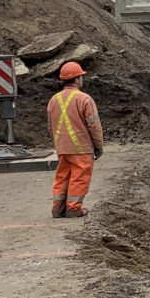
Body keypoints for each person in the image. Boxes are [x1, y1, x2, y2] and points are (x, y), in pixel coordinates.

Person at [46, 61, 103, 218]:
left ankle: (57, 208)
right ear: (77, 79)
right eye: (81, 77)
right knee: (79, 178)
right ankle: (73, 208)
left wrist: (60, 143)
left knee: (62, 177)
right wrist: (98, 145)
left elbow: (50, 126)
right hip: (81, 148)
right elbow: (94, 126)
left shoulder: (54, 100)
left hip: (62, 148)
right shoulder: (84, 99)